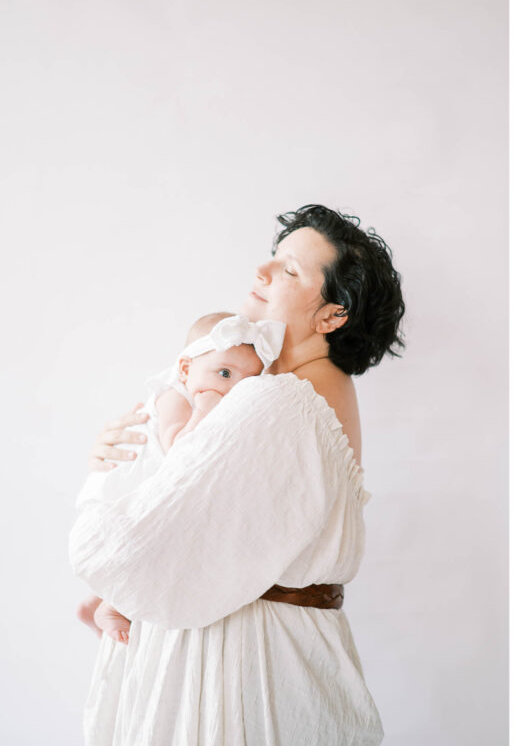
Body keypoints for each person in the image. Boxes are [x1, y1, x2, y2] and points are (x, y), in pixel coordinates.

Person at [70, 204, 404, 746]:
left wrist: (99, 489)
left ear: (332, 315)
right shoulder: (295, 393)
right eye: (273, 258)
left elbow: (132, 545)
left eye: (289, 270)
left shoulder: (282, 400)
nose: (262, 271)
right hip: (270, 654)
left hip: (243, 668)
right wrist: (130, 453)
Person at [75, 311, 285, 645]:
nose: (231, 389)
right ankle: (112, 606)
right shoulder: (174, 395)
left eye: (245, 383)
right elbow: (178, 446)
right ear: (185, 369)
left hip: (149, 484)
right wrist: (204, 409)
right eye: (224, 373)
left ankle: (94, 603)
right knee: (150, 539)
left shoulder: (211, 391)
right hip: (132, 485)